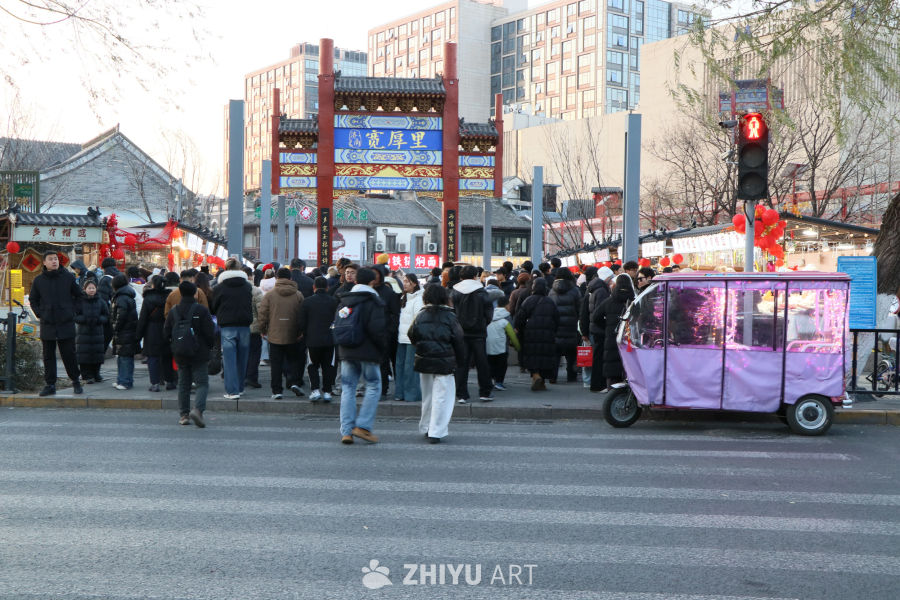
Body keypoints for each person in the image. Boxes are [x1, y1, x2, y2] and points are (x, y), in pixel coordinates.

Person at [408, 284, 465, 443]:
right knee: (442, 397)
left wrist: (422, 346)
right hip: (445, 361)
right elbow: (459, 340)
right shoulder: (450, 316)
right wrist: (460, 361)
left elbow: (412, 335)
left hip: (424, 360)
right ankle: (436, 431)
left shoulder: (421, 315)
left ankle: (426, 427)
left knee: (427, 397)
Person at [335, 267, 386, 444]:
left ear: (356, 281)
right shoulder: (374, 301)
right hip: (368, 351)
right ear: (373, 282)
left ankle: (346, 432)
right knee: (373, 385)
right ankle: (363, 427)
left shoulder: (344, 300)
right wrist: (382, 350)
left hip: (347, 349)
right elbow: (377, 330)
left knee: (348, 388)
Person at [29, 251, 84, 396]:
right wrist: (40, 313)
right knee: (48, 356)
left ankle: (76, 381)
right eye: (51, 259)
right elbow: (33, 300)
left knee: (69, 354)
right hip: (48, 323)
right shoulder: (39, 280)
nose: (54, 261)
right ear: (44, 263)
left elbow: (79, 296)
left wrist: (73, 312)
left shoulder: (68, 277)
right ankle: (50, 384)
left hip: (65, 322)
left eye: (56, 259)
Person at [164, 281, 215, 427]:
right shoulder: (201, 310)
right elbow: (209, 332)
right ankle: (198, 410)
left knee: (183, 384)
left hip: (180, 352)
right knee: (202, 383)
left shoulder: (174, 311)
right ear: (195, 293)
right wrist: (209, 347)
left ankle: (184, 415)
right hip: (199, 352)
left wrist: (175, 345)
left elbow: (166, 332)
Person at [257, 267, 305, 399]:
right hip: (293, 333)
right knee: (294, 360)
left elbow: (263, 314)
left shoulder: (270, 295)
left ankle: (277, 391)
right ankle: (295, 382)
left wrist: (263, 330)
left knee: (276, 364)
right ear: (290, 279)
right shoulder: (298, 295)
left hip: (274, 334)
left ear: (277, 278)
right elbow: (302, 315)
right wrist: (301, 331)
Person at [450, 265, 494, 404]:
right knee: (482, 363)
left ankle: (462, 394)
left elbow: (451, 312)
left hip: (460, 333)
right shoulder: (482, 292)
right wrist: (482, 323)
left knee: (461, 364)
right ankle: (485, 392)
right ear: (475, 276)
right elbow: (489, 313)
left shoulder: (455, 291)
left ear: (461, 277)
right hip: (479, 332)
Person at [211, 257, 254, 399]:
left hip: (227, 325)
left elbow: (213, 307)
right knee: (243, 358)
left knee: (229, 360)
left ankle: (232, 391)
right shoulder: (247, 286)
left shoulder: (219, 287)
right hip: (245, 325)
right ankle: (240, 387)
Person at [298, 276, 339, 402]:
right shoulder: (334, 301)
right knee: (328, 366)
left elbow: (302, 322)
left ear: (314, 287)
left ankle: (315, 390)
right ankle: (327, 391)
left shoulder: (307, 302)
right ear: (327, 287)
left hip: (312, 339)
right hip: (330, 339)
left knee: (312, 366)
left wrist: (304, 334)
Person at [514, 277, 559, 391]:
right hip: (547, 333)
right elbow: (557, 319)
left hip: (531, 333)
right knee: (544, 357)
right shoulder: (550, 301)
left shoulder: (528, 300)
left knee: (532, 356)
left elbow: (520, 317)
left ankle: (535, 375)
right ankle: (541, 381)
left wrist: (518, 329)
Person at [595, 273, 637, 389]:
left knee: (612, 369)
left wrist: (607, 326)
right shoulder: (635, 302)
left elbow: (595, 317)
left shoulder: (608, 301)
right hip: (630, 339)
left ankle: (612, 396)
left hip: (612, 337)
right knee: (629, 367)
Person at [582, 266, 614, 392]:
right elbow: (600, 312)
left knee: (596, 356)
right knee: (599, 357)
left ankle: (594, 384)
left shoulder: (593, 288)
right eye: (610, 279)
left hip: (593, 328)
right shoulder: (601, 291)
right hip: (599, 329)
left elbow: (585, 311)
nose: (612, 282)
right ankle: (598, 385)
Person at [549, 267, 582, 384]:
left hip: (556, 327)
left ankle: (553, 377)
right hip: (571, 326)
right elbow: (580, 309)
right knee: (571, 354)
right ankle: (571, 376)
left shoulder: (551, 291)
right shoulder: (574, 290)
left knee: (555, 354)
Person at [136, 275, 169, 392]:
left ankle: (155, 383)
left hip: (151, 330)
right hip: (167, 328)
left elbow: (143, 318)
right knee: (167, 356)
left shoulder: (148, 298)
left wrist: (138, 335)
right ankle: (169, 381)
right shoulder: (169, 296)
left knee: (153, 357)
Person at [395, 273, 424, 402]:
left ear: (415, 283)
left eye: (407, 281)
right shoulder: (404, 297)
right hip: (401, 338)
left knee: (409, 369)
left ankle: (411, 395)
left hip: (411, 339)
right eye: (404, 281)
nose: (405, 283)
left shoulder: (419, 298)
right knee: (399, 366)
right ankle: (399, 393)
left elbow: (418, 320)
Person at [373, 265, 401, 398]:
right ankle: (378, 387)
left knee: (387, 362)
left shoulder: (389, 293)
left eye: (376, 274)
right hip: (371, 334)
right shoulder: (367, 291)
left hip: (387, 333)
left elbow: (395, 314)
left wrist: (390, 330)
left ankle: (387, 388)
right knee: (376, 362)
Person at [74, 279, 108, 385]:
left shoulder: (101, 301)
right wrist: (85, 319)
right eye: (89, 288)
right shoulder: (79, 301)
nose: (92, 290)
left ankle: (96, 373)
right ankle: (86, 375)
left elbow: (106, 315)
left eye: (93, 288)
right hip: (83, 332)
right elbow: (75, 315)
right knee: (84, 354)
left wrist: (99, 320)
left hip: (97, 332)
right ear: (84, 289)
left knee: (97, 353)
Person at [110, 274, 138, 390]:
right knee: (122, 356)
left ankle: (125, 381)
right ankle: (122, 380)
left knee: (124, 357)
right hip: (128, 331)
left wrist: (115, 326)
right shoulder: (126, 295)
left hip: (124, 331)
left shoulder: (121, 297)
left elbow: (121, 315)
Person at [486, 295, 520, 391]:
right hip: (502, 347)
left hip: (488, 345)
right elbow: (512, 334)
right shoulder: (507, 317)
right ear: (507, 305)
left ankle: (491, 380)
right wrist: (517, 347)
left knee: (490, 364)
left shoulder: (490, 314)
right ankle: (499, 382)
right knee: (501, 365)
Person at [243, 266, 265, 389]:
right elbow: (261, 310)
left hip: (240, 327)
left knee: (241, 353)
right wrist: (263, 327)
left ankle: (242, 376)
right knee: (254, 354)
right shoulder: (255, 290)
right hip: (254, 327)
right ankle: (251, 378)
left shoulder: (236, 290)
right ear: (251, 276)